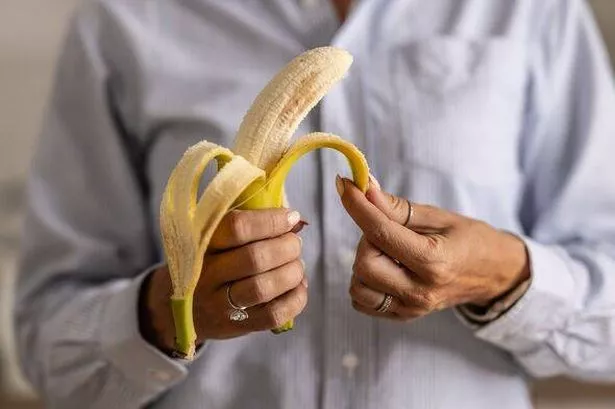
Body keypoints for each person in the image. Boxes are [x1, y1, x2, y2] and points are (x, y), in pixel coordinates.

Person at [14, 0, 615, 408]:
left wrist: (505, 275)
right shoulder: (126, 19)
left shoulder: (537, 12)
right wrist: (175, 308)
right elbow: (46, 343)